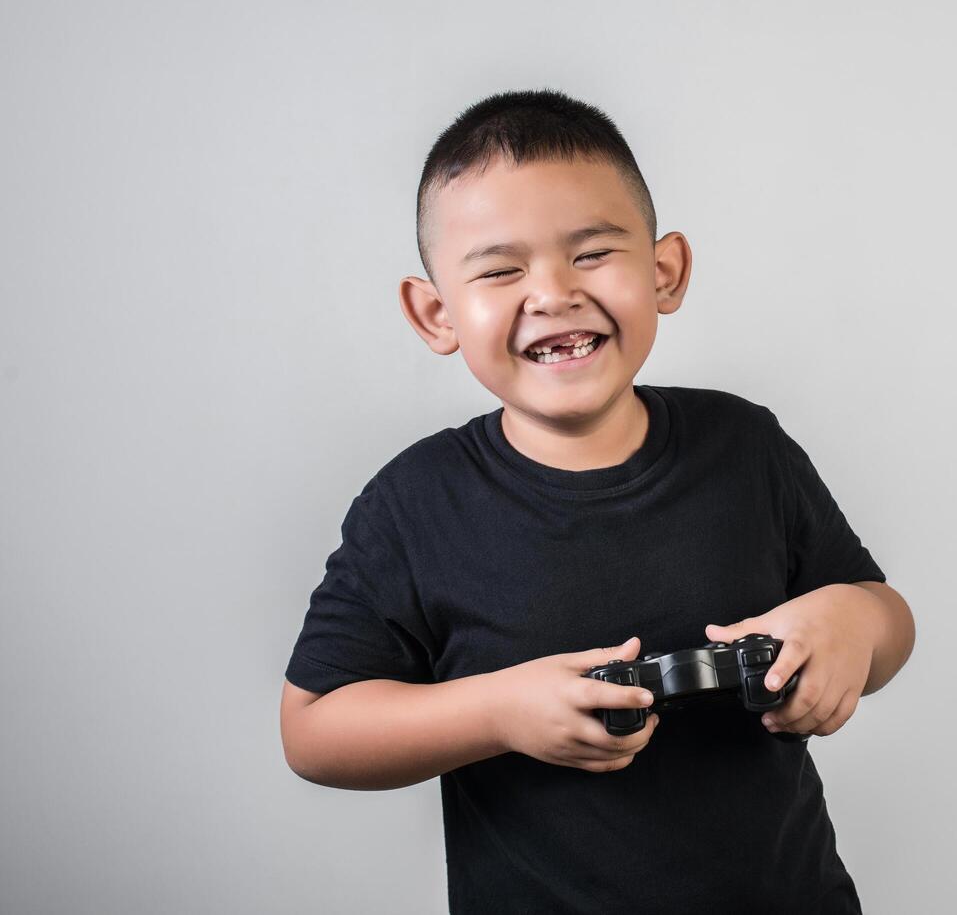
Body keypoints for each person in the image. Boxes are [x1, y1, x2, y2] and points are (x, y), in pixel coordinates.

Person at [278, 88, 916, 913]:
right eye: (501, 269)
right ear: (435, 313)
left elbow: (885, 616)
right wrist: (497, 713)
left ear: (665, 272)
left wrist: (852, 626)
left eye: (589, 254)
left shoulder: (744, 446)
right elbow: (314, 731)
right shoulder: (413, 505)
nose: (551, 293)